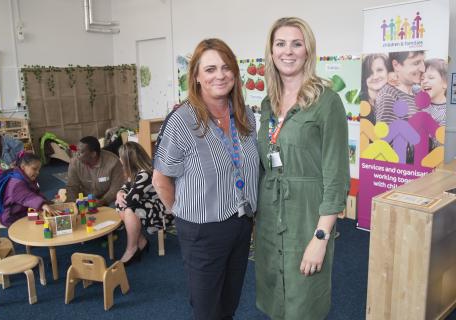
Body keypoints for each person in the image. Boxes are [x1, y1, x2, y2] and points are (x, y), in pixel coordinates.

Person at [152, 38, 259, 320]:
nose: (220, 75)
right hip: (202, 230)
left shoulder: (246, 117)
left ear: (235, 73)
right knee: (207, 308)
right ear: (197, 77)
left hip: (240, 222)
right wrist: (183, 213)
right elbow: (161, 179)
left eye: (226, 67)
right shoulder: (181, 121)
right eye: (210, 69)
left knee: (230, 300)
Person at [255, 17, 350, 320]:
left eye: (297, 43)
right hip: (270, 218)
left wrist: (320, 238)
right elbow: (264, 162)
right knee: (275, 297)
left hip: (307, 219)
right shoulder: (268, 104)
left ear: (308, 50)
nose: (288, 51)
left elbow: (336, 177)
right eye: (280, 44)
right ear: (271, 52)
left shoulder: (327, 102)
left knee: (304, 300)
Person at [115, 142, 173, 264]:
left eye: (120, 157)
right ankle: (140, 241)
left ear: (127, 159)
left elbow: (131, 199)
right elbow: (126, 187)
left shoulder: (146, 173)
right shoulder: (137, 171)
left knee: (129, 208)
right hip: (150, 206)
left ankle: (131, 248)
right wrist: (119, 193)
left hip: (163, 211)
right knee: (121, 204)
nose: (119, 159)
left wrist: (123, 196)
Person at [0, 152, 56, 227]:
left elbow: (35, 193)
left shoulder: (26, 178)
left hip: (21, 210)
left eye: (38, 170)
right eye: (34, 169)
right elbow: (27, 197)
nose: (37, 172)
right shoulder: (15, 182)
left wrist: (47, 202)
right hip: (10, 216)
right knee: (39, 222)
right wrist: (43, 204)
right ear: (23, 167)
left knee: (42, 215)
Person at [66, 136, 124, 206]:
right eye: (76, 150)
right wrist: (74, 204)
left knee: (121, 205)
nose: (76, 154)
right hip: (83, 199)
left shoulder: (113, 162)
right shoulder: (74, 162)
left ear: (93, 154)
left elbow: (116, 187)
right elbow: (72, 186)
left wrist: (103, 201)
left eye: (80, 152)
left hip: (108, 199)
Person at [374, 50, 425, 123]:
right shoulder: (389, 96)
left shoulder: (417, 91)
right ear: (396, 65)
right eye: (416, 63)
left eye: (423, 62)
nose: (423, 69)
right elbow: (384, 133)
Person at [360, 53, 391, 124]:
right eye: (370, 72)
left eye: (379, 70)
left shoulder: (396, 99)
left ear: (388, 71)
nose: (375, 77)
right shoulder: (359, 101)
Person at [421, 58, 447, 126]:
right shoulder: (418, 98)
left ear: (445, 83)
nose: (424, 81)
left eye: (431, 77)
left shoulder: (447, 114)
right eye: (422, 78)